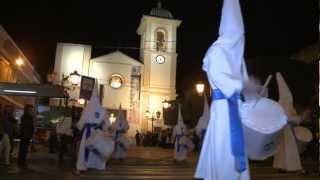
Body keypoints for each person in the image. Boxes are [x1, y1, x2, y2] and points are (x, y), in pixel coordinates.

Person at [194, 0, 250, 179]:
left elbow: (244, 80)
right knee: (225, 151)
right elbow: (224, 80)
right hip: (224, 108)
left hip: (234, 108)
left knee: (231, 150)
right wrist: (243, 85)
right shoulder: (217, 51)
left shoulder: (236, 57)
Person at [273, 72, 304, 173]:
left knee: (284, 148)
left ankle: (284, 166)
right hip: (284, 129)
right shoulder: (283, 103)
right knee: (286, 148)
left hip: (286, 129)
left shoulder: (283, 103)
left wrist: (296, 118)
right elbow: (287, 117)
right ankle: (287, 166)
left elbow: (290, 115)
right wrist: (297, 119)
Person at [76, 86, 112, 171]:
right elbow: (106, 124)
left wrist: (79, 127)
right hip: (97, 132)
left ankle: (84, 164)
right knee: (97, 147)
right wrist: (103, 127)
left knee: (86, 147)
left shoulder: (87, 109)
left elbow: (81, 122)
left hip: (88, 132)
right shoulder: (103, 110)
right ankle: (97, 165)